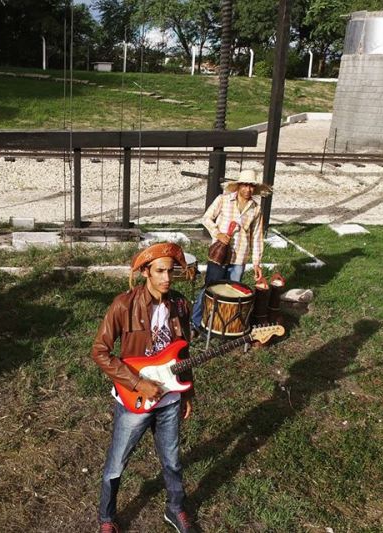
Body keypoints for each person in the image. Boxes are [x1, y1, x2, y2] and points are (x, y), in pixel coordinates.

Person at [91, 242, 197, 533]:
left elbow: (183, 354)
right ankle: (107, 518)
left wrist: (187, 392)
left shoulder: (180, 305)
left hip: (170, 399)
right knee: (116, 466)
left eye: (170, 271)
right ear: (145, 272)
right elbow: (100, 351)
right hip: (134, 399)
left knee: (173, 461)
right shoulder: (124, 305)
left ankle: (175, 509)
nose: (166, 278)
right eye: (159, 271)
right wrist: (138, 383)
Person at [191, 168, 272, 331]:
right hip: (219, 254)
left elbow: (256, 236)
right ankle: (195, 322)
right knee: (209, 288)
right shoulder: (223, 200)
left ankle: (220, 323)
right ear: (239, 186)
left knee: (231, 292)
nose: (248, 189)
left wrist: (257, 263)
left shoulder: (256, 208)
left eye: (251, 186)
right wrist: (217, 233)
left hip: (239, 257)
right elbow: (206, 218)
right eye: (245, 185)